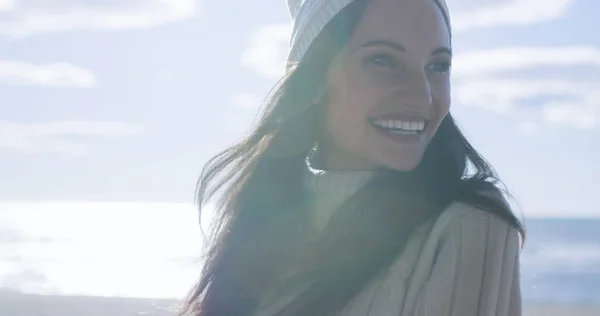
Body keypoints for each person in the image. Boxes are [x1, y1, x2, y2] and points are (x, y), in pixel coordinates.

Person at [180, 0, 526, 315]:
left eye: (438, 65)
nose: (422, 95)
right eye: (382, 60)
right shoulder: (262, 214)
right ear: (313, 79)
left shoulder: (469, 223)